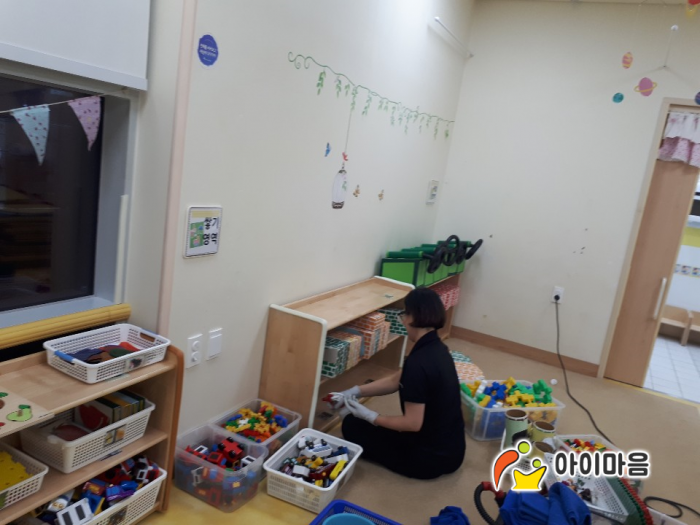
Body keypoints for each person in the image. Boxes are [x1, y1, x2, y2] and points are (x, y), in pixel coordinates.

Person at [332, 287, 466, 479]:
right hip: (454, 451)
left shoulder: (417, 364)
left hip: (430, 459)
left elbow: (412, 423)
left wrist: (371, 416)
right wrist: (354, 391)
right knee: (364, 425)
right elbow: (395, 380)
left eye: (404, 315)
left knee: (352, 426)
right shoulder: (438, 349)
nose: (403, 320)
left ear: (412, 317)